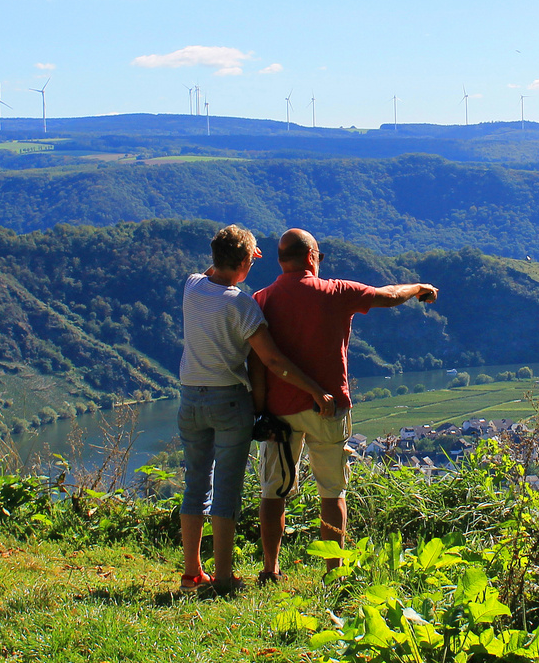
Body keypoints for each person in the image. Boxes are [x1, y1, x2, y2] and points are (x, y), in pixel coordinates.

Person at [252, 228, 438, 580]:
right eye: (318, 257)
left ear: (281, 261)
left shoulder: (261, 299)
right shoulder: (336, 292)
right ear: (311, 257)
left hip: (279, 411)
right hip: (328, 407)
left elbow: (258, 360)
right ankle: (333, 571)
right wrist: (419, 288)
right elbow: (390, 295)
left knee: (273, 491)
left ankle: (270, 568)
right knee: (332, 491)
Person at [177, 224, 335, 591]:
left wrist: (238, 254)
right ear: (246, 262)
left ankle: (191, 573)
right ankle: (223, 576)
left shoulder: (191, 286)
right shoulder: (242, 305)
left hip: (189, 398)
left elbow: (212, 270)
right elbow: (273, 360)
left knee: (195, 483)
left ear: (215, 257)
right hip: (228, 401)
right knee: (227, 488)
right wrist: (314, 390)